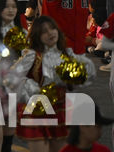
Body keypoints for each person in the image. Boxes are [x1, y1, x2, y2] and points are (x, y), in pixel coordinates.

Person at [8, 16, 96, 151]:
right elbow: (11, 78)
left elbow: (82, 81)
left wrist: (75, 79)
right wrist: (30, 87)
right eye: (44, 31)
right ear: (37, 36)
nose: (50, 33)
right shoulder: (32, 55)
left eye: (52, 28)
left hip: (60, 110)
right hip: (37, 112)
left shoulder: (67, 54)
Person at [0, 0, 26, 152]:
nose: (10, 10)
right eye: (6, 7)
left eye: (13, 7)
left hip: (14, 87)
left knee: (9, 135)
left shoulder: (23, 33)